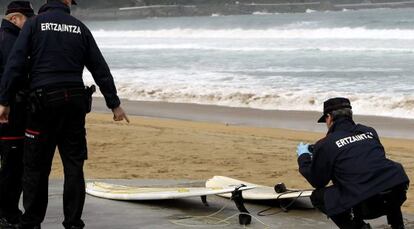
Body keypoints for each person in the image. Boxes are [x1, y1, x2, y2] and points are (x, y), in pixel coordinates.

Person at [0, 0, 129, 228]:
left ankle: (31, 223)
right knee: (73, 166)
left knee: (36, 167)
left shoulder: (34, 25)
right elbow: (99, 67)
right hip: (75, 103)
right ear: (67, 2)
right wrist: (114, 104)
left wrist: (4, 101)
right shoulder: (79, 27)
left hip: (43, 103)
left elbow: (16, 63)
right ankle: (73, 223)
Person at [297, 97, 409, 229]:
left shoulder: (325, 144)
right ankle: (398, 225)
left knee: (318, 197)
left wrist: (303, 157)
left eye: (325, 120)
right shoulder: (369, 131)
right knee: (382, 176)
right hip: (396, 193)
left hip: (367, 205)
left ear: (329, 117)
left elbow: (318, 181)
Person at [0, 2, 34, 228]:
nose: (30, 23)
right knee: (13, 167)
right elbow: (13, 75)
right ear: (14, 19)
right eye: (27, 19)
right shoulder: (12, 41)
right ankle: (8, 214)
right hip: (9, 112)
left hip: (6, 109)